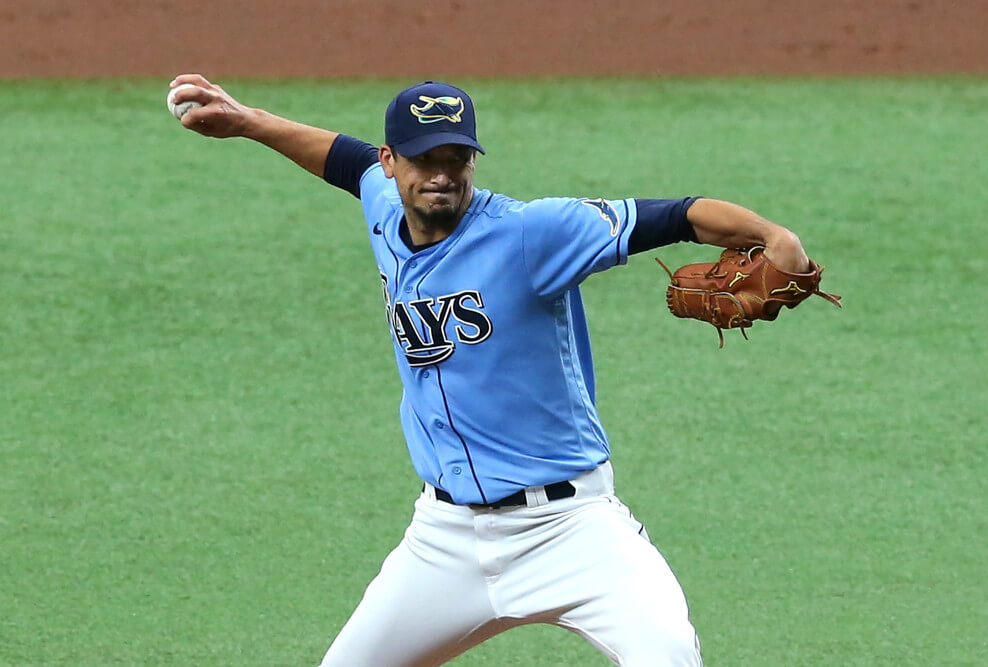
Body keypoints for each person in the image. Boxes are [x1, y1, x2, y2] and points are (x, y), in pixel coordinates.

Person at [169, 74, 811, 666]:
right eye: (423, 160)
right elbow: (345, 160)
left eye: (456, 159)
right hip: (444, 541)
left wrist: (775, 237)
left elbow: (680, 214)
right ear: (393, 165)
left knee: (670, 656)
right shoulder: (384, 209)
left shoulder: (534, 232)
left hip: (572, 529)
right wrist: (248, 121)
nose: (441, 176)